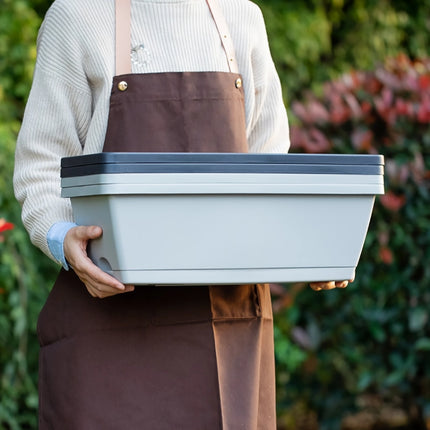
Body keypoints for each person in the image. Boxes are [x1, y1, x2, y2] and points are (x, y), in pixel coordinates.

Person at [14, 0, 350, 428]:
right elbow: (40, 167)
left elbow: (270, 173)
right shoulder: (78, 16)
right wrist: (63, 238)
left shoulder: (241, 18)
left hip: (227, 331)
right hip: (106, 325)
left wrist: (306, 252)